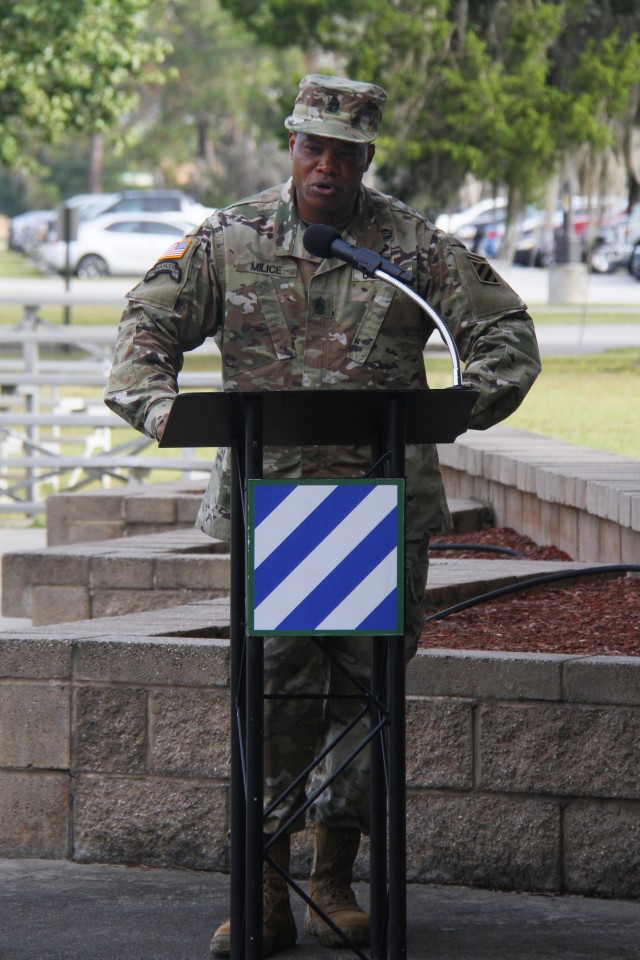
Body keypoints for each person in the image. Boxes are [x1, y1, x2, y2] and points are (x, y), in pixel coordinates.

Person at [104, 74, 541, 956]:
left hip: (380, 513)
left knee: (363, 698)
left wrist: (462, 407)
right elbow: (146, 324)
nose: (327, 166)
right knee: (273, 701)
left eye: (345, 152)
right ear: (291, 147)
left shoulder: (413, 250)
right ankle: (263, 890)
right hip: (275, 515)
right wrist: (156, 405)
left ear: (366, 158)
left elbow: (507, 337)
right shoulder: (228, 242)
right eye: (314, 147)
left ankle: (334, 883)